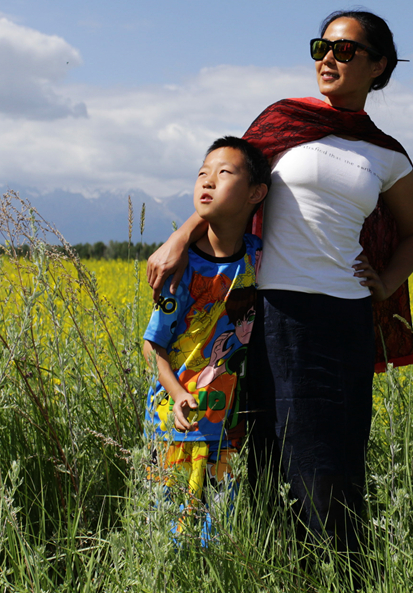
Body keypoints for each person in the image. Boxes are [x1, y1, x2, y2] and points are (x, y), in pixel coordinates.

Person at [146, 10, 413, 567]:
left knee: (334, 455)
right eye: (320, 46)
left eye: (345, 50)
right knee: (272, 449)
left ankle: (341, 568)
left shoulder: (387, 154)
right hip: (272, 312)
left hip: (346, 319)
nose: (328, 57)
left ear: (379, 66)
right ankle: (278, 564)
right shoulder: (282, 122)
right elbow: (227, 186)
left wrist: (385, 283)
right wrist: (181, 237)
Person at [140, 135, 270, 545]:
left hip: (227, 428)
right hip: (173, 423)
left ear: (257, 193)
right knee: (166, 535)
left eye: (223, 173)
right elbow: (152, 346)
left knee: (219, 538)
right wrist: (178, 393)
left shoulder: (259, 257)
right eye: (202, 174)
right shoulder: (182, 269)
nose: (207, 182)